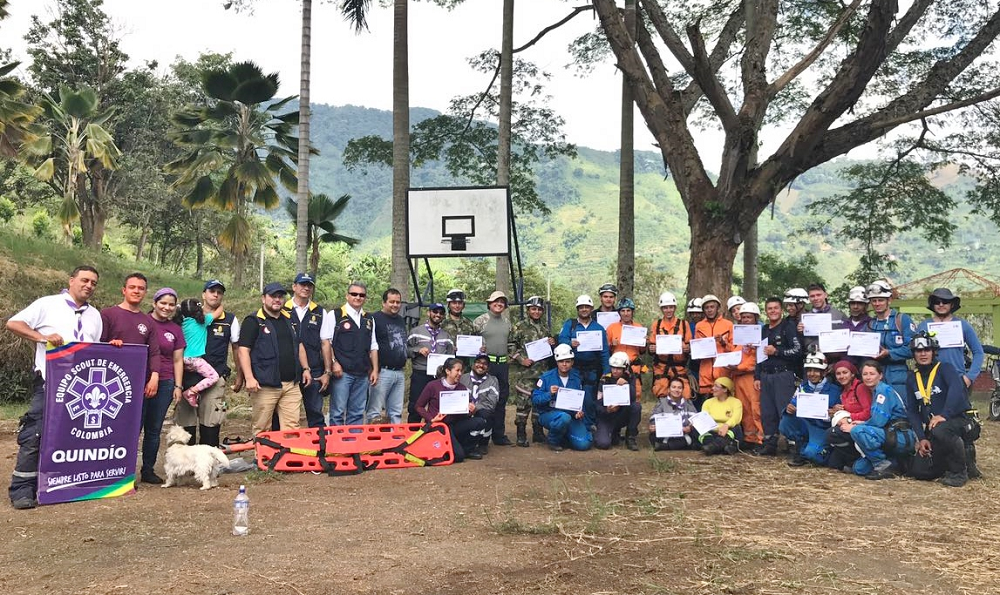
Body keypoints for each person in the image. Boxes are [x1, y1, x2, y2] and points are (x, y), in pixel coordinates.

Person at [7, 265, 104, 509]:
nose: (89, 286)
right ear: (71, 280)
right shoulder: (47, 304)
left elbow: (95, 349)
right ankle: (22, 489)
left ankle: (62, 483)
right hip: (50, 381)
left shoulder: (95, 315)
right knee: (36, 432)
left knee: (72, 435)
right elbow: (14, 323)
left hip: (80, 388)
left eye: (93, 282)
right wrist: (42, 337)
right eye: (84, 280)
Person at [905, 332, 982, 487]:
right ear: (914, 354)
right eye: (918, 351)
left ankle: (959, 473)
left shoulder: (946, 368)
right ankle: (954, 463)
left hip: (960, 421)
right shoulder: (912, 377)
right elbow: (912, 411)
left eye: (927, 349)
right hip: (935, 429)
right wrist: (922, 438)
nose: (923, 353)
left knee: (941, 429)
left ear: (934, 352)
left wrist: (944, 415)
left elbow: (957, 390)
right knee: (920, 472)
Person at [238, 282, 311, 436]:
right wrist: (249, 377)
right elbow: (243, 350)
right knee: (262, 428)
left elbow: (299, 345)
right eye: (273, 296)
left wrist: (305, 369)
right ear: (264, 298)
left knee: (292, 428)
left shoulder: (290, 318)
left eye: (280, 296)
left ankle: (289, 460)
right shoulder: (253, 321)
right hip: (265, 385)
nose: (277, 299)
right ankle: (263, 459)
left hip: (291, 384)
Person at [174, 279, 241, 447]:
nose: (216, 294)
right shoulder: (186, 317)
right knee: (185, 423)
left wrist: (240, 375)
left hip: (214, 378)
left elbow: (236, 348)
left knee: (211, 422)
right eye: (212, 291)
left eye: (219, 292)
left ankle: (209, 462)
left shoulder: (230, 320)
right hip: (185, 377)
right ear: (204, 294)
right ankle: (186, 464)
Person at [842, 360, 916, 480]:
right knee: (859, 469)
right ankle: (894, 463)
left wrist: (856, 426)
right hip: (888, 433)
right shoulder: (876, 391)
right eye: (865, 374)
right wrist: (863, 423)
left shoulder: (883, 391)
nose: (868, 377)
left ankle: (883, 465)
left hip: (899, 435)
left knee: (857, 431)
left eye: (872, 374)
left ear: (880, 375)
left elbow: (879, 421)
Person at [143, 288, 186, 485]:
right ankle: (123, 469)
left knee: (154, 428)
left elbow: (178, 360)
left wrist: (178, 385)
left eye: (171, 305)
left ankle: (148, 469)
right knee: (134, 426)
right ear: (154, 303)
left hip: (166, 381)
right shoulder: (142, 322)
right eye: (163, 303)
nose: (166, 308)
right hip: (140, 379)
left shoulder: (175, 329)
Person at [322, 281, 379, 426]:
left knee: (357, 413)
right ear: (347, 296)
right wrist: (333, 363)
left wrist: (375, 370)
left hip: (362, 373)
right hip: (343, 373)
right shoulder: (335, 315)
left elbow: (373, 345)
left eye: (361, 295)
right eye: (354, 294)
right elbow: (327, 342)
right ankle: (337, 447)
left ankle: (353, 445)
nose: (358, 297)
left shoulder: (369, 319)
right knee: (338, 413)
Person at [99, 273, 161, 403]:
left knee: (135, 421)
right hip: (109, 379)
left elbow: (154, 352)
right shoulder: (107, 314)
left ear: (145, 292)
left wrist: (155, 376)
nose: (136, 291)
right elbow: (98, 346)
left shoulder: (148, 321)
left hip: (137, 381)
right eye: (132, 287)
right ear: (124, 290)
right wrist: (110, 346)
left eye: (141, 288)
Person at [415, 357, 489, 462]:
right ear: (448, 371)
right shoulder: (432, 386)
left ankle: (467, 449)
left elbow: (464, 414)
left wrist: (470, 410)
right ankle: (449, 449)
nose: (460, 373)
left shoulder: (462, 388)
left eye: (461, 371)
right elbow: (419, 406)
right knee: (458, 457)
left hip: (455, 424)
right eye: (457, 370)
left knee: (480, 421)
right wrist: (431, 419)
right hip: (440, 425)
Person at [754, 296, 802, 456]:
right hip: (766, 375)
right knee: (767, 412)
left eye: (776, 308)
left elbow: (797, 351)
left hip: (783, 374)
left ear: (781, 310)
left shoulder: (788, 327)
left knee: (785, 410)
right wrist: (757, 376)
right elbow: (759, 355)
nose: (773, 311)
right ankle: (769, 443)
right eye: (769, 308)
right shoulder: (764, 330)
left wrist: (777, 351)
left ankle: (792, 444)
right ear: (766, 312)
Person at [283, 273, 330, 428]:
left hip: (315, 369)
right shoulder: (283, 310)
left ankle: (320, 448)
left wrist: (327, 371)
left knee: (316, 413)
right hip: (289, 370)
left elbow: (325, 343)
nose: (306, 288)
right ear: (294, 287)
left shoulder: (320, 312)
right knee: (286, 414)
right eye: (302, 284)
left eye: (309, 285)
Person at [779, 351, 842, 467]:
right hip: (806, 425)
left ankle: (815, 450)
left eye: (816, 370)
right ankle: (801, 447)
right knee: (786, 422)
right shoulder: (802, 387)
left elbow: (840, 413)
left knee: (813, 454)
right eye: (809, 370)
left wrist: (835, 413)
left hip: (822, 428)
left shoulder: (835, 390)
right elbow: (793, 403)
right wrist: (789, 408)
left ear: (824, 372)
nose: (812, 374)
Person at [916, 288, 984, 392]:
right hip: (930, 379)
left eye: (945, 301)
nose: (941, 304)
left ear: (952, 304)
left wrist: (969, 378)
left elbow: (978, 352)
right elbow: (915, 352)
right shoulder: (923, 326)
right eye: (937, 302)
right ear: (932, 305)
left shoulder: (963, 325)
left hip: (958, 378)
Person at [558, 295, 610, 428]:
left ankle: (588, 425)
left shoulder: (598, 328)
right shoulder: (571, 324)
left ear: (591, 308)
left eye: (587, 307)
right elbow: (561, 339)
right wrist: (570, 343)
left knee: (589, 399)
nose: (584, 309)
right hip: (573, 368)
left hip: (592, 369)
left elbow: (604, 352)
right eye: (581, 307)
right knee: (572, 396)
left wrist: (606, 371)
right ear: (577, 309)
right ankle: (570, 425)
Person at [509, 295, 554, 446]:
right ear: (528, 310)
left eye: (539, 309)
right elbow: (510, 346)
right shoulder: (519, 326)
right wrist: (521, 359)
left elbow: (549, 349)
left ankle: (538, 432)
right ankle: (521, 434)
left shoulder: (545, 328)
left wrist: (552, 342)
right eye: (533, 309)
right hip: (525, 373)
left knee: (539, 403)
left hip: (542, 372)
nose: (536, 312)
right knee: (523, 404)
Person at [532, 344, 593, 451]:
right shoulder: (546, 377)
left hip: (570, 416)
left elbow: (579, 400)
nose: (564, 364)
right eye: (561, 361)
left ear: (572, 362)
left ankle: (564, 436)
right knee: (564, 417)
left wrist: (579, 412)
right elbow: (535, 400)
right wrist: (549, 394)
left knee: (584, 444)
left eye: (567, 361)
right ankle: (553, 441)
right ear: (556, 362)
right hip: (549, 415)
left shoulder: (577, 378)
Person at [473, 290, 514, 446]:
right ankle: (482, 435)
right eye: (496, 301)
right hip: (485, 365)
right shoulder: (480, 321)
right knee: (485, 400)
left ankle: (499, 434)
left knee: (501, 399)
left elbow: (511, 343)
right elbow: (469, 342)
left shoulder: (507, 322)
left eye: (502, 302)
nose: (499, 304)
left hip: (502, 364)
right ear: (489, 303)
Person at [865, 280, 914, 400]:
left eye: (881, 300)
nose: (877, 304)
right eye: (874, 301)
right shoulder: (870, 325)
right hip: (876, 377)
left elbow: (912, 349)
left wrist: (889, 353)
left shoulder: (902, 320)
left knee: (901, 411)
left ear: (889, 300)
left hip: (898, 377)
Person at [407, 303, 455, 423]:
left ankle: (434, 433)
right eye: (435, 312)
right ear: (429, 313)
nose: (438, 315)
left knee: (438, 407)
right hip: (421, 374)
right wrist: (417, 350)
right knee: (416, 406)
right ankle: (413, 435)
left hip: (439, 376)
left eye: (441, 313)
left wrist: (454, 353)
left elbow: (451, 358)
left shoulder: (446, 336)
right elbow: (405, 350)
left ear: (443, 316)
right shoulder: (416, 331)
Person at [367, 288, 408, 424]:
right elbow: (370, 345)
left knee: (396, 412)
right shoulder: (374, 319)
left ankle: (395, 442)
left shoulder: (401, 320)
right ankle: (372, 442)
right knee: (375, 412)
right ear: (384, 302)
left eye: (398, 302)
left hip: (399, 372)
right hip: (382, 371)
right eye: (392, 302)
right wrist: (373, 369)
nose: (395, 305)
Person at [825, 360, 871, 471]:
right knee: (833, 464)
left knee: (831, 433)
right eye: (838, 373)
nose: (842, 376)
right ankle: (852, 459)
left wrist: (849, 418)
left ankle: (857, 458)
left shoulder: (860, 388)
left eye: (845, 372)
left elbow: (868, 412)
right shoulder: (843, 391)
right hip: (847, 426)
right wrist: (836, 411)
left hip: (861, 426)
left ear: (852, 374)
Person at [728, 302, 763, 448]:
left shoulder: (760, 334)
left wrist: (740, 367)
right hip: (738, 377)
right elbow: (735, 353)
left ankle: (761, 439)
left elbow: (756, 360)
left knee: (755, 407)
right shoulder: (739, 334)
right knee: (744, 408)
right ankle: (749, 438)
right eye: (743, 317)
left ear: (755, 318)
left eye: (749, 317)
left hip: (751, 376)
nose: (746, 320)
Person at [647, 291, 693, 399]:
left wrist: (687, 348)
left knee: (685, 394)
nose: (668, 310)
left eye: (671, 307)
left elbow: (690, 346)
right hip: (661, 366)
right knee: (661, 392)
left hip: (679, 366)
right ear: (662, 309)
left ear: (675, 308)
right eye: (665, 308)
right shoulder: (656, 325)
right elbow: (651, 347)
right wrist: (651, 349)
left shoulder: (683, 325)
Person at [177, 298, 221, 407]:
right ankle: (191, 392)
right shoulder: (203, 321)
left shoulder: (182, 323)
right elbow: (218, 312)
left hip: (182, 359)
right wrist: (219, 304)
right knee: (213, 377)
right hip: (194, 358)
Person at [594, 352, 641, 450]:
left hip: (621, 414)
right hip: (606, 416)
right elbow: (598, 404)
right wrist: (607, 410)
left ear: (625, 368)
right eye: (613, 368)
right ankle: (611, 433)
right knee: (603, 444)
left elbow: (632, 398)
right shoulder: (604, 379)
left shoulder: (630, 378)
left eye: (619, 368)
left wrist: (626, 385)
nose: (615, 371)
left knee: (636, 407)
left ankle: (630, 437)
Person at [694, 294, 733, 410]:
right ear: (703, 310)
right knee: (706, 407)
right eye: (707, 307)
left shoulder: (728, 325)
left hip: (723, 372)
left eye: (712, 307)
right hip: (705, 372)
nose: (710, 310)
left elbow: (733, 349)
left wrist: (723, 342)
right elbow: (697, 348)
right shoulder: (699, 326)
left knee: (724, 407)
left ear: (717, 308)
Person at [459, 354, 501, 455]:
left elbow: (492, 403)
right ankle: (465, 441)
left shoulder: (493, 380)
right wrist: (467, 407)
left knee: (487, 414)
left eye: (485, 364)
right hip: (464, 409)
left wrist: (476, 408)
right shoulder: (462, 378)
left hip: (482, 411)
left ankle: (483, 443)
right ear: (473, 364)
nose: (481, 366)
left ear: (488, 367)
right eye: (478, 362)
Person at [605, 297, 646, 398]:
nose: (626, 313)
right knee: (617, 396)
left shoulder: (639, 328)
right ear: (619, 313)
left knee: (635, 395)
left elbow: (642, 351)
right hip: (617, 368)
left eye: (628, 310)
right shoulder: (612, 328)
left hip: (633, 367)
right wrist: (611, 344)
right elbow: (606, 351)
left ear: (632, 312)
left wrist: (644, 343)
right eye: (623, 311)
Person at [648, 377, 699, 451]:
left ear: (682, 390)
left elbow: (695, 419)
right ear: (669, 389)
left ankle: (665, 446)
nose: (676, 390)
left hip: (683, 433)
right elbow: (653, 419)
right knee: (653, 436)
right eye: (674, 387)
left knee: (694, 435)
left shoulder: (688, 403)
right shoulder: (662, 402)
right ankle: (676, 445)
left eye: (679, 388)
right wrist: (654, 426)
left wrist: (689, 427)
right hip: (666, 433)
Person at [801, 283, 847, 358]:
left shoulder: (839, 315)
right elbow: (804, 343)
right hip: (814, 359)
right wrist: (800, 332)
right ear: (809, 298)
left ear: (825, 295)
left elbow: (846, 339)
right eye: (812, 296)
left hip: (835, 359)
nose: (815, 298)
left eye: (818, 295)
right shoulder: (805, 318)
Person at [700, 377, 743, 455]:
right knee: (696, 429)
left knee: (737, 428)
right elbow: (704, 419)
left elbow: (736, 418)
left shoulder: (736, 402)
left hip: (727, 432)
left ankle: (713, 447)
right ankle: (722, 446)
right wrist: (717, 428)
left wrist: (726, 425)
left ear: (725, 389)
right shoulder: (707, 402)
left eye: (716, 386)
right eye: (713, 386)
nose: (713, 388)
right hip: (712, 431)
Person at [843, 286, 872, 367]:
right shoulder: (843, 325)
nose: (855, 307)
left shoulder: (872, 324)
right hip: (847, 371)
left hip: (867, 370)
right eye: (853, 303)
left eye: (859, 303)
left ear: (866, 306)